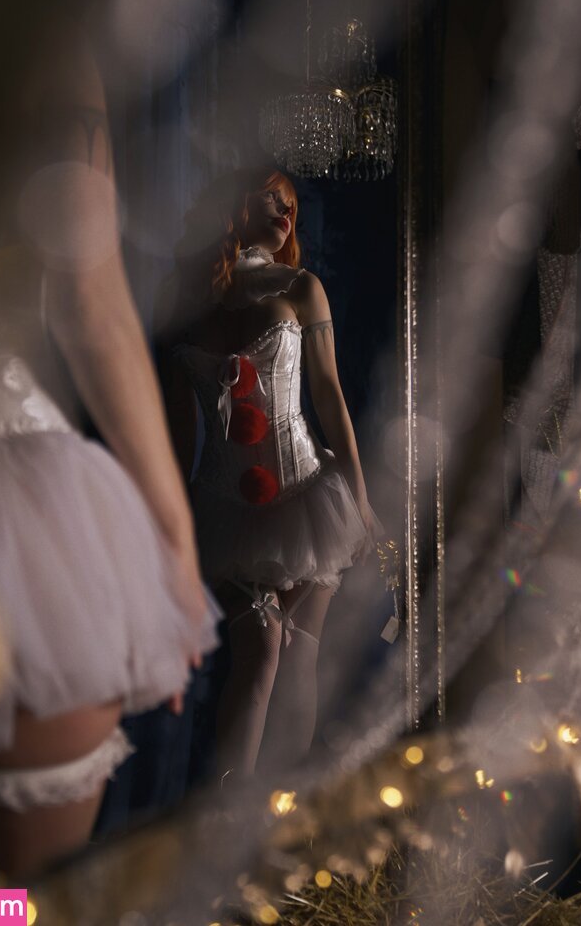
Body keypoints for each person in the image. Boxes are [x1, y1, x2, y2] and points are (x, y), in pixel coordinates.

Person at [0, 23, 219, 880]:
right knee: (16, 908)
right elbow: (92, 311)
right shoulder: (38, 33)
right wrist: (173, 553)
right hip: (14, 527)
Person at [159, 169, 377, 780]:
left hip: (308, 499)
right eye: (271, 199)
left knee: (297, 659)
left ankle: (283, 817)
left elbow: (329, 397)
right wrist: (173, 527)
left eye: (291, 206)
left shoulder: (302, 287)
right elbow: (177, 436)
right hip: (222, 510)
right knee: (259, 654)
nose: (285, 212)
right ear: (234, 205)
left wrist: (359, 500)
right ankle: (225, 821)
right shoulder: (183, 307)